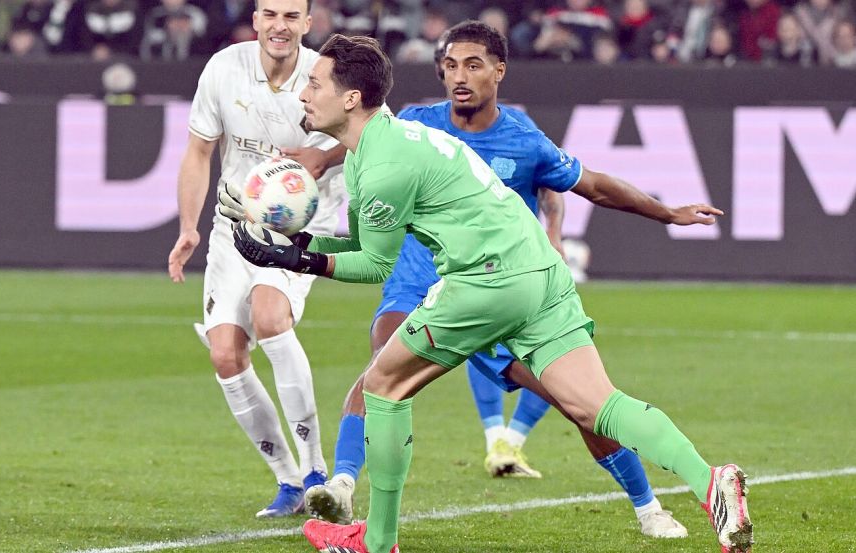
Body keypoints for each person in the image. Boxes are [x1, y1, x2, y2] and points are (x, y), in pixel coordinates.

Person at [230, 34, 753, 553]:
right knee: (597, 406)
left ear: (350, 99)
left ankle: (377, 539)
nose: (303, 94)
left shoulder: (383, 166)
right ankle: (711, 482)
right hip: (542, 273)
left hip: (486, 279)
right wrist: (295, 244)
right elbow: (363, 243)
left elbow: (375, 264)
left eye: (314, 84)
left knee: (383, 385)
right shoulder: (394, 140)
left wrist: (296, 259)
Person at [166, 0, 348, 519]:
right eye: (270, 14)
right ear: (256, 20)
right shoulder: (224, 68)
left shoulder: (325, 76)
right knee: (225, 353)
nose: (280, 26)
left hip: (297, 227)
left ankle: (317, 471)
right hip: (232, 224)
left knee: (270, 316)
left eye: (292, 16)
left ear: (307, 25)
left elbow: (367, 130)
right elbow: (200, 151)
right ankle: (288, 482)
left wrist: (324, 156)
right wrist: (188, 228)